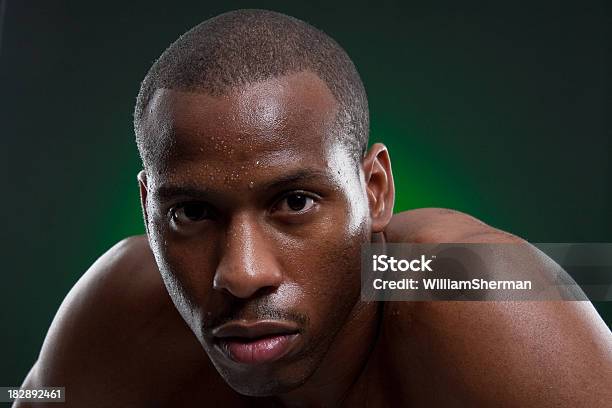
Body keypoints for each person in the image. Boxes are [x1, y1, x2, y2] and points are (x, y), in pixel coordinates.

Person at [16, 9, 612, 407]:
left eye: (294, 201)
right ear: (148, 208)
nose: (244, 274)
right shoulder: (122, 312)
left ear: (374, 190)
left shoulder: (469, 288)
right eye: (192, 213)